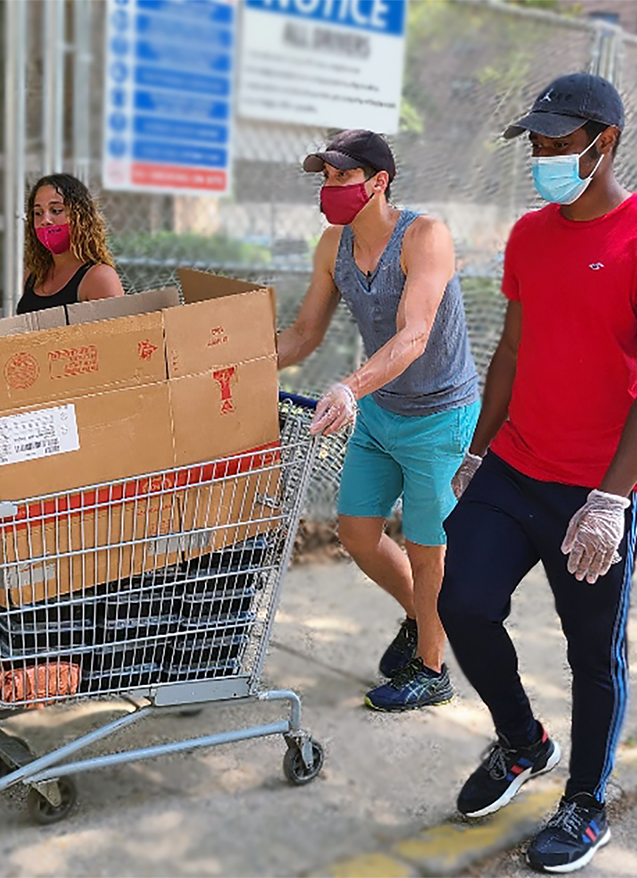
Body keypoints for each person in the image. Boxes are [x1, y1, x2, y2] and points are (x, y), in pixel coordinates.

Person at [438, 73, 637, 873]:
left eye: (559, 144)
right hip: (516, 464)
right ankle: (524, 742)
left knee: (593, 650)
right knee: (463, 603)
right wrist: (478, 449)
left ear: (606, 143)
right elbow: (512, 350)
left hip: (598, 484)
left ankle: (586, 802)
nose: (544, 158)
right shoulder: (530, 236)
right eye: (538, 145)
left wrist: (611, 500)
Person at [277, 129, 480, 711]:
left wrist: (350, 386)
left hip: (439, 418)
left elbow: (415, 335)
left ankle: (433, 670)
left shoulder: (424, 236)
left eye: (342, 176)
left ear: (378, 182)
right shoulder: (333, 246)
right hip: (379, 412)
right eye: (326, 177)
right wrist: (234, 362)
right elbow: (303, 335)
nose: (330, 187)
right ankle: (421, 619)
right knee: (358, 535)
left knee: (426, 550)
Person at [18, 173, 124, 314]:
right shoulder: (33, 275)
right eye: (38, 213)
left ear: (80, 217)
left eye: (56, 211)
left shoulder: (99, 277)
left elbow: (120, 334)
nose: (45, 220)